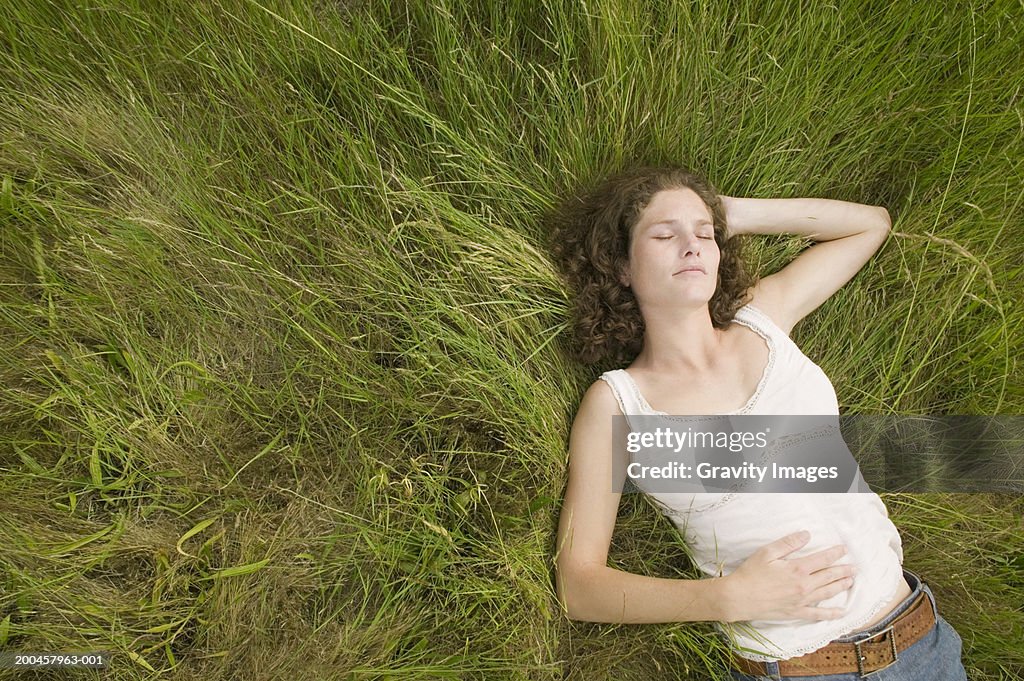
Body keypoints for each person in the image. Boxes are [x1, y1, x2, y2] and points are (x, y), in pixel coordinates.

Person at [549, 165, 968, 679]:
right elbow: (578, 585)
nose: (691, 246)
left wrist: (733, 213)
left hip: (923, 642)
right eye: (664, 234)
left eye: (704, 234)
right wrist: (724, 598)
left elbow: (870, 226)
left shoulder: (761, 318)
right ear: (622, 267)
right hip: (804, 667)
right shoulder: (620, 404)